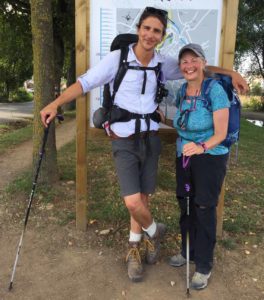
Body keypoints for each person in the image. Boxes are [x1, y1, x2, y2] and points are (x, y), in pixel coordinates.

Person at [40, 7, 248, 283]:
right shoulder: (117, 59)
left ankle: (136, 248)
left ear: (162, 36)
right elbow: (85, 82)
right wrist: (55, 103)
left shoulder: (162, 63)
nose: (151, 35)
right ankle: (154, 230)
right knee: (132, 200)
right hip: (124, 140)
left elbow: (197, 66)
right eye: (147, 28)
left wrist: (231, 72)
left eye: (157, 31)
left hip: (149, 139)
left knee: (144, 198)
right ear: (139, 28)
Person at [161, 43, 232, 290]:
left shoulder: (216, 91)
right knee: (185, 203)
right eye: (184, 62)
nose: (188, 65)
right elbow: (183, 124)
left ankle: (204, 265)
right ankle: (187, 251)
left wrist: (200, 147)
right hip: (185, 155)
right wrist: (164, 120)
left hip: (210, 157)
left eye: (193, 60)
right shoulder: (182, 91)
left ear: (202, 63)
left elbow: (221, 133)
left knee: (203, 207)